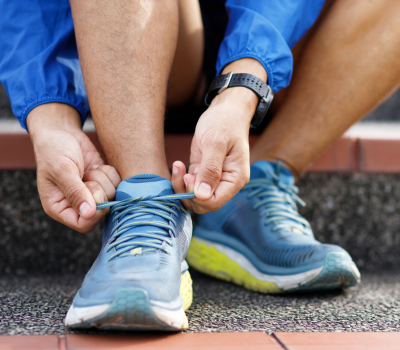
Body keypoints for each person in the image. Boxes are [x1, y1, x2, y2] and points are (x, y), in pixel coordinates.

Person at [1, 0, 399, 331]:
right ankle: (147, 196)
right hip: (133, 31)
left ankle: (252, 187)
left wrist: (243, 87)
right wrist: (50, 116)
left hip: (277, 44)